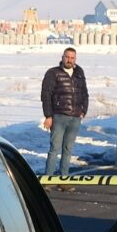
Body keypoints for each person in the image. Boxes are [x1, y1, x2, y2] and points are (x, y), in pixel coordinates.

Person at [40, 47, 89, 176]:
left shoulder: (79, 72)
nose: (69, 60)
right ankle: (48, 179)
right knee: (54, 149)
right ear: (62, 57)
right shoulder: (53, 73)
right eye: (67, 57)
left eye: (72, 58)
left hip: (75, 117)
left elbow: (84, 93)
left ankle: (64, 180)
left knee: (68, 150)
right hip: (59, 117)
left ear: (75, 59)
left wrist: (83, 111)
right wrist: (48, 116)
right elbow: (46, 95)